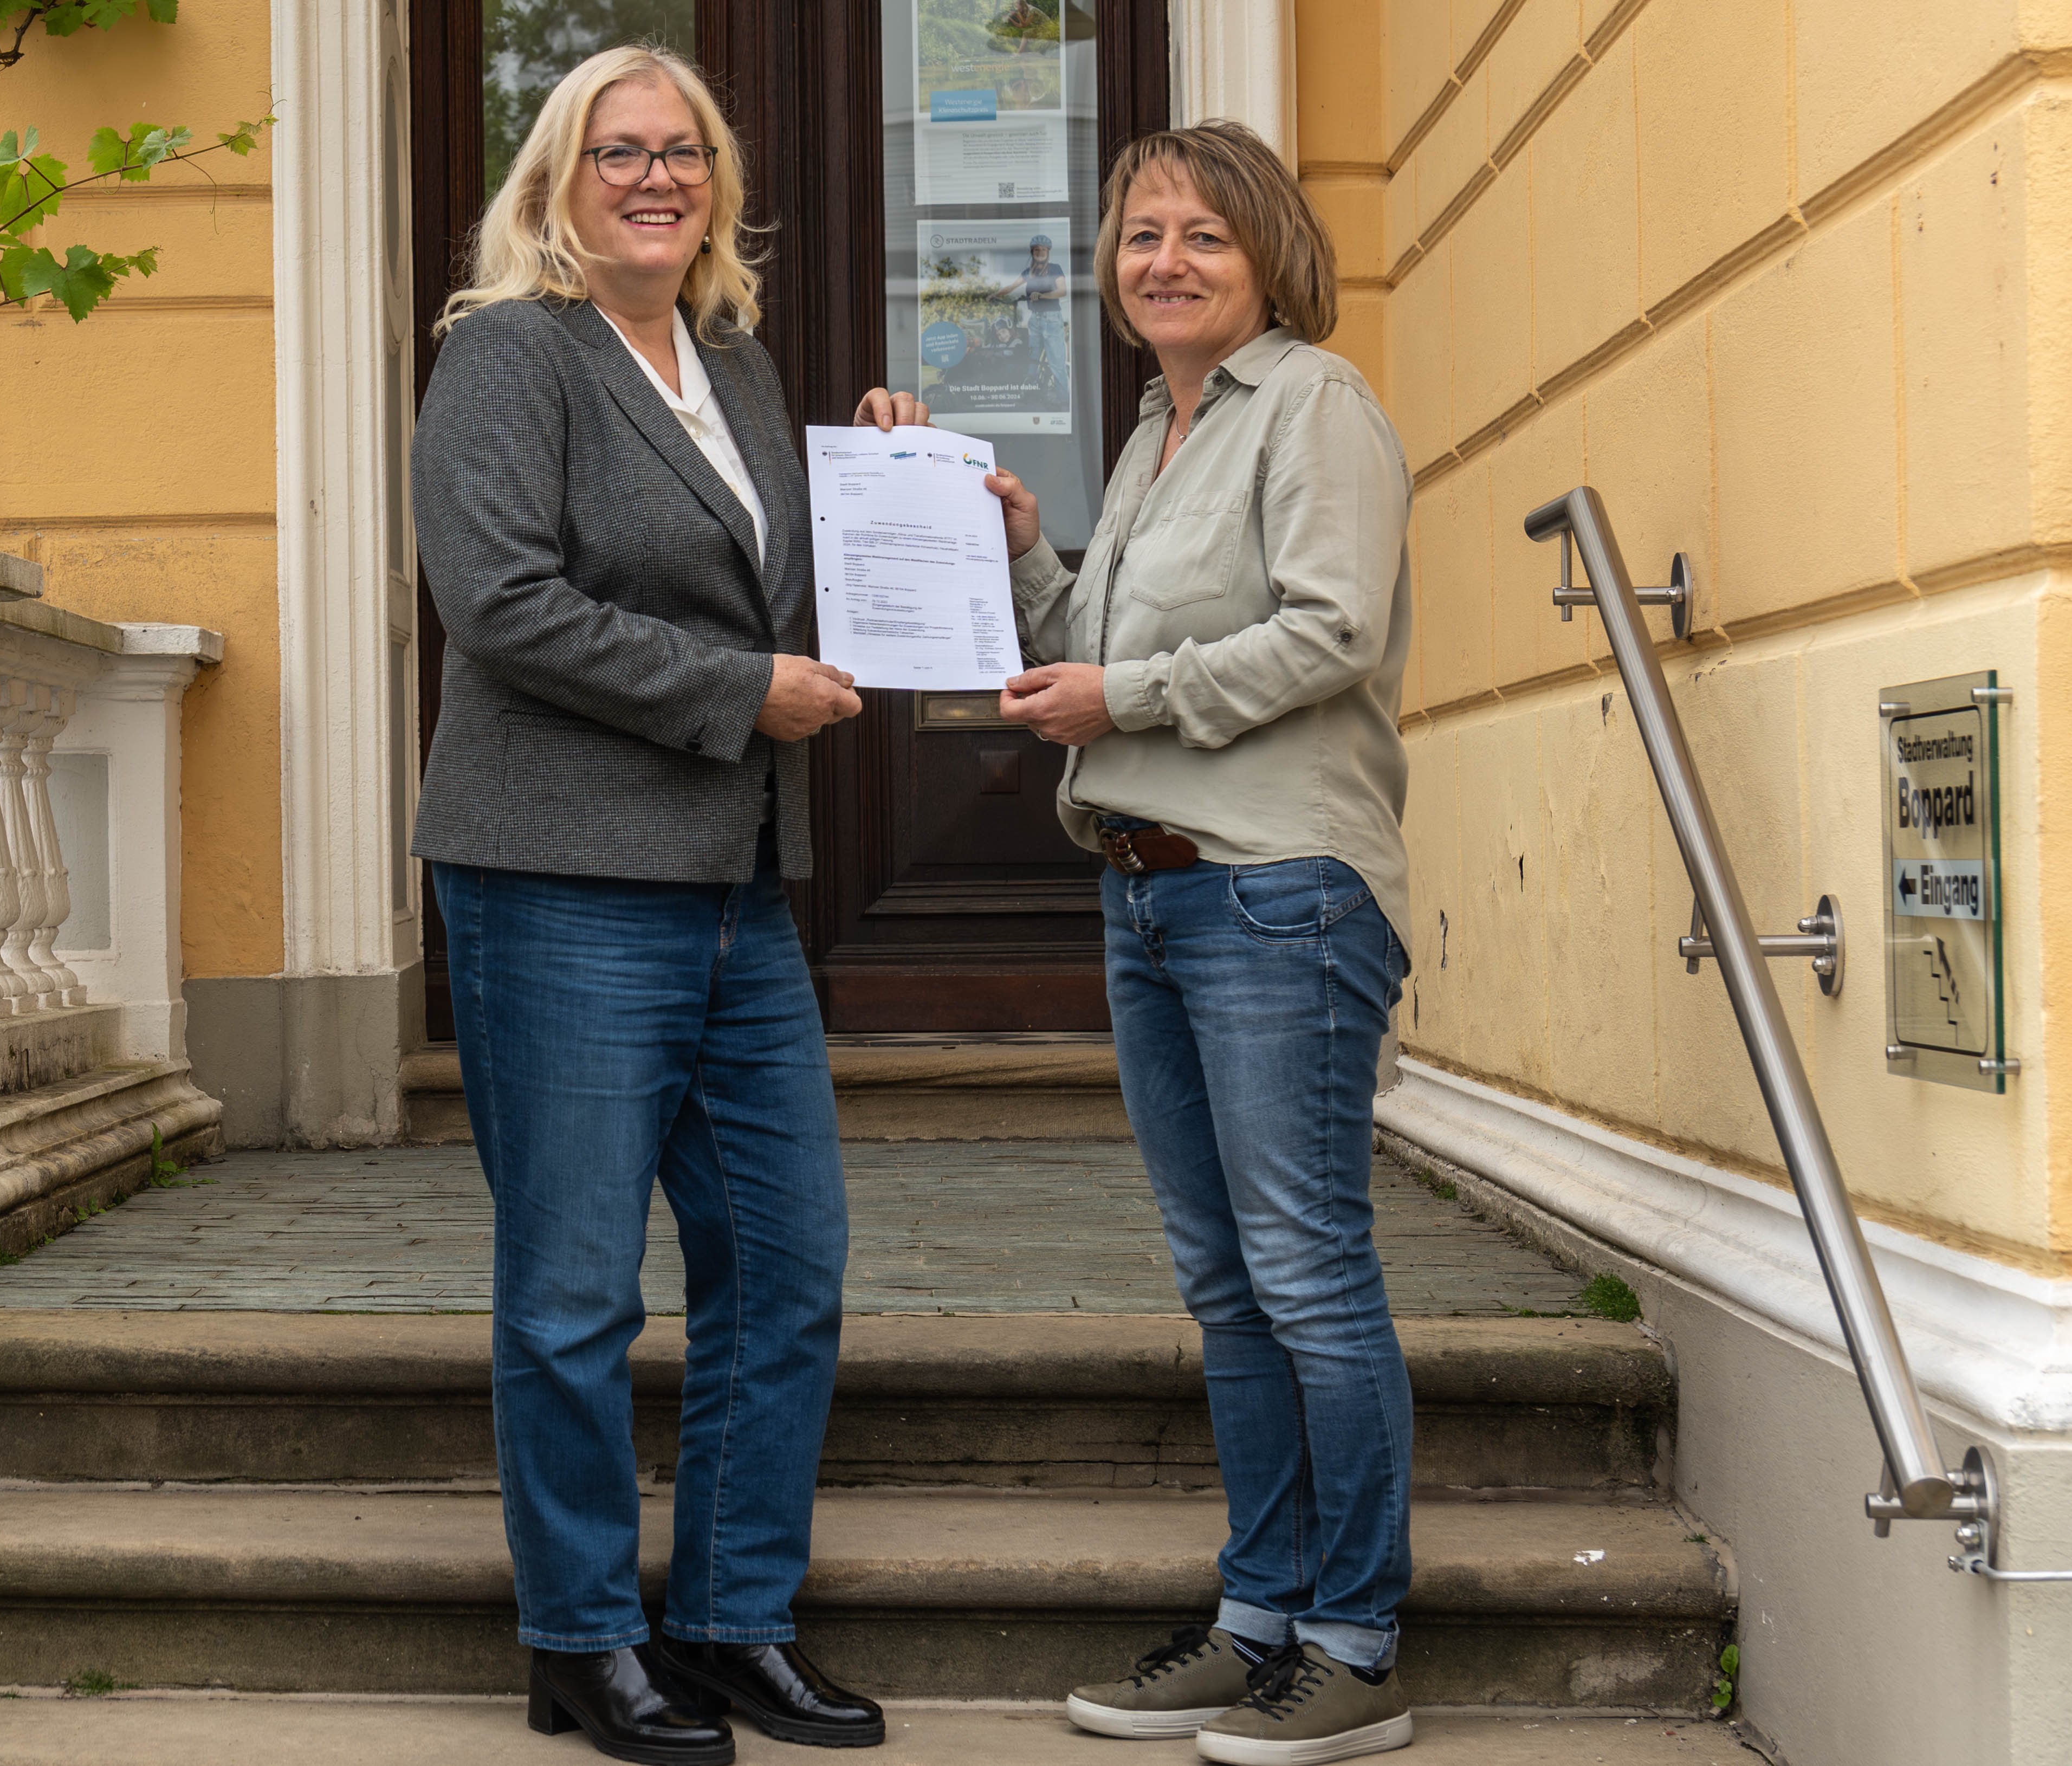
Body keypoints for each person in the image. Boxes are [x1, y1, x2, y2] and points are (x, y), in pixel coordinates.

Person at [858, 118, 1417, 1764]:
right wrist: (1008, 533)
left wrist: (1127, 694)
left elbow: (1329, 630)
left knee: (1306, 1274)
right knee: (1227, 1285)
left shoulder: (1312, 406)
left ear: (1265, 258)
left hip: (1276, 888)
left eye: (1200, 235)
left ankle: (1353, 1644)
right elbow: (1074, 651)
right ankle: (1257, 1621)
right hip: (1151, 890)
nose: (1161, 260)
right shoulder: (1156, 433)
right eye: (1138, 236)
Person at [413, 43, 885, 1765]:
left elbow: (774, 591)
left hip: (732, 880)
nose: (653, 177)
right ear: (554, 183)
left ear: (715, 184)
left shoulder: (735, 368)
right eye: (615, 152)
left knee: (785, 1261)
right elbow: (502, 606)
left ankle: (731, 1624)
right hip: (556, 876)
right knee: (571, 1290)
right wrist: (732, 694)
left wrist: (888, 476)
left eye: (679, 152)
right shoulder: (506, 357)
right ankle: (581, 1639)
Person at [1001, 234, 1068, 396]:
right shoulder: (1028, 273)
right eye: (1037, 250)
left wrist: (1043, 296)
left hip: (1051, 318)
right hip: (1035, 319)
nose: (1040, 252)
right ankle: (1031, 392)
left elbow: (1062, 291)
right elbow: (1012, 286)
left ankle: (1063, 398)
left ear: (1048, 252)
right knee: (1032, 357)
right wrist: (994, 296)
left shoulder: (1055, 269)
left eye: (1043, 250)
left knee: (1056, 362)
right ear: (1032, 252)